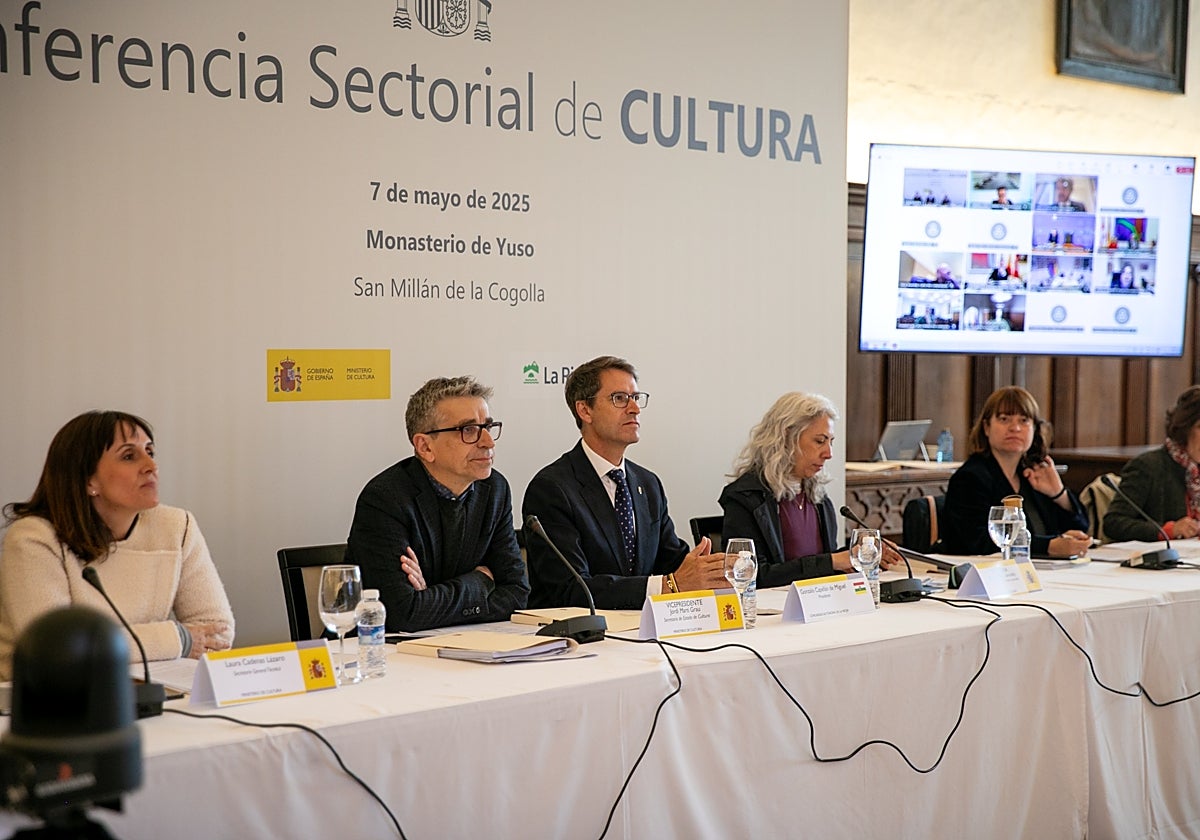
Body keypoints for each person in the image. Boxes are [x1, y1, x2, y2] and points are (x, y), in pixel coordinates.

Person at [0, 411, 234, 680]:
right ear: (89, 480)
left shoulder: (176, 525)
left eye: (150, 452)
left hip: (146, 691)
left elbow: (217, 632)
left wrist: (109, 648)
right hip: (45, 704)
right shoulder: (33, 539)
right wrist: (179, 638)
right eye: (129, 456)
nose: (151, 466)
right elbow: (55, 647)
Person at [522, 356, 726, 609]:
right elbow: (572, 589)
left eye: (636, 398)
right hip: (580, 637)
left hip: (644, 631)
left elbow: (672, 561)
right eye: (619, 398)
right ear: (585, 410)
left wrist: (711, 570)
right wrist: (667, 586)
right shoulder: (552, 489)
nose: (635, 409)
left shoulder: (648, 484)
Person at [345, 376, 529, 631]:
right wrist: (480, 582)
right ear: (425, 446)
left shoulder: (494, 489)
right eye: (468, 430)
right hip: (380, 654)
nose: (488, 442)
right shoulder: (385, 499)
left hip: (466, 644)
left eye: (488, 426)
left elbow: (517, 594)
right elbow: (401, 614)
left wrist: (430, 595)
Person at [719, 393, 903, 588]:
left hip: (820, 605)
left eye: (830, 441)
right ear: (786, 438)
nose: (829, 454)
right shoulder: (746, 497)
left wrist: (859, 553)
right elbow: (754, 576)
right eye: (820, 441)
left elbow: (820, 561)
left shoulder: (817, 496)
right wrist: (834, 561)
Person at [940, 387, 1091, 557]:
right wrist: (1048, 546)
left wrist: (1059, 494)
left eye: (1024, 420)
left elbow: (1079, 530)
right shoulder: (970, 478)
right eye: (1004, 419)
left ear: (1035, 429)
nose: (1015, 428)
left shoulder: (1031, 473)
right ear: (986, 427)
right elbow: (977, 542)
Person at [1104, 386, 1200, 542]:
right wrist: (1169, 530)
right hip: (1160, 560)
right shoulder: (1148, 466)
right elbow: (1114, 523)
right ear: (1185, 428)